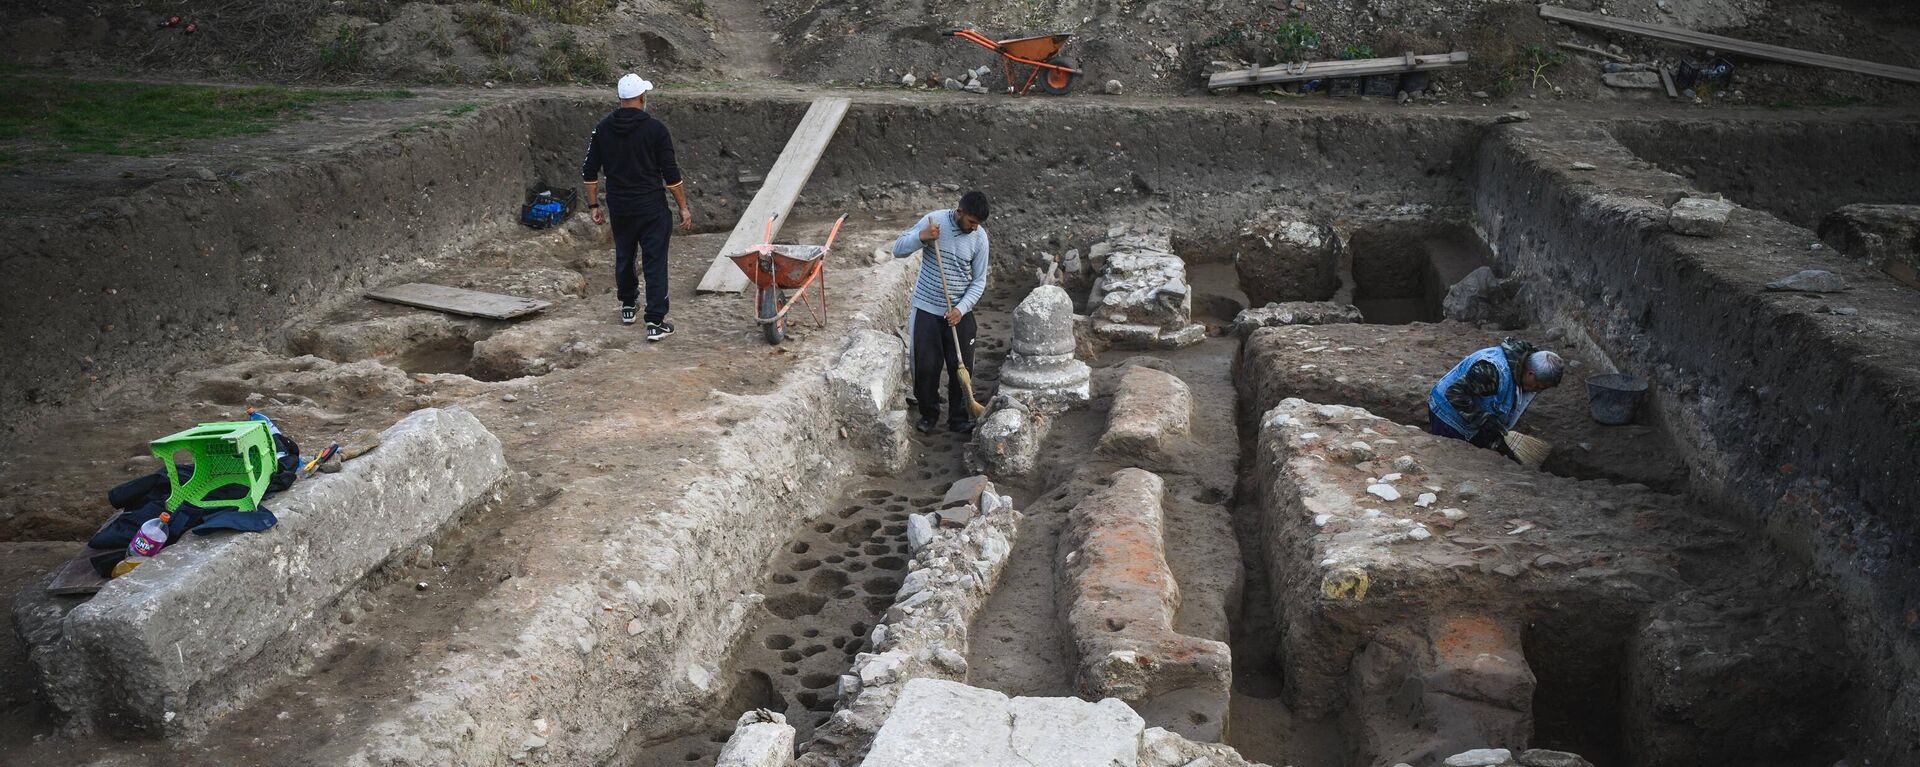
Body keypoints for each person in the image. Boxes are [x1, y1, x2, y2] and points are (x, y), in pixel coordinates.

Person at [581, 72, 692, 341]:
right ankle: (655, 322)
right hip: (652, 207)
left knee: (625, 254)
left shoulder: (603, 128)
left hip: (620, 206)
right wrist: (683, 207)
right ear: (642, 97)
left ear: (620, 98)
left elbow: (589, 170)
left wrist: (594, 204)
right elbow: (671, 175)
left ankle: (628, 305)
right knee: (654, 262)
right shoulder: (656, 130)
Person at [893, 192, 991, 434]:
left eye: (978, 224)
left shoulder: (979, 239)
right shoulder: (933, 221)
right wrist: (921, 237)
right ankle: (929, 413)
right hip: (927, 308)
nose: (974, 228)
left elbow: (979, 281)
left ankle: (958, 418)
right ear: (959, 213)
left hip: (959, 311)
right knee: (926, 366)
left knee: (962, 365)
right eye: (971, 222)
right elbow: (898, 249)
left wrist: (961, 309)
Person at [1426, 337, 1565, 456]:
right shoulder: (1491, 371)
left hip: (1474, 407)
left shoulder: (1525, 364)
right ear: (1530, 374)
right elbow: (1454, 393)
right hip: (1447, 414)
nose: (1537, 391)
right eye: (1538, 387)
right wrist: (1484, 419)